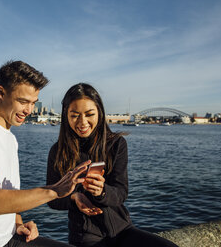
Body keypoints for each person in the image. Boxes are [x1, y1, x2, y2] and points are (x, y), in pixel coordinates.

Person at [0, 61, 90, 247]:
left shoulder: (10, 138)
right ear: (1, 93)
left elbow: (8, 192)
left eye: (33, 103)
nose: (29, 110)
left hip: (7, 237)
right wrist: (54, 190)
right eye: (23, 102)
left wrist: (17, 222)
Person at [46, 83, 178, 247]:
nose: (82, 122)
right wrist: (74, 197)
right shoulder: (58, 151)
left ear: (99, 113)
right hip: (85, 236)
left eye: (89, 114)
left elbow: (121, 191)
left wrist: (102, 192)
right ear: (65, 115)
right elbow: (51, 199)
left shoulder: (116, 144)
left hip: (122, 229)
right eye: (74, 115)